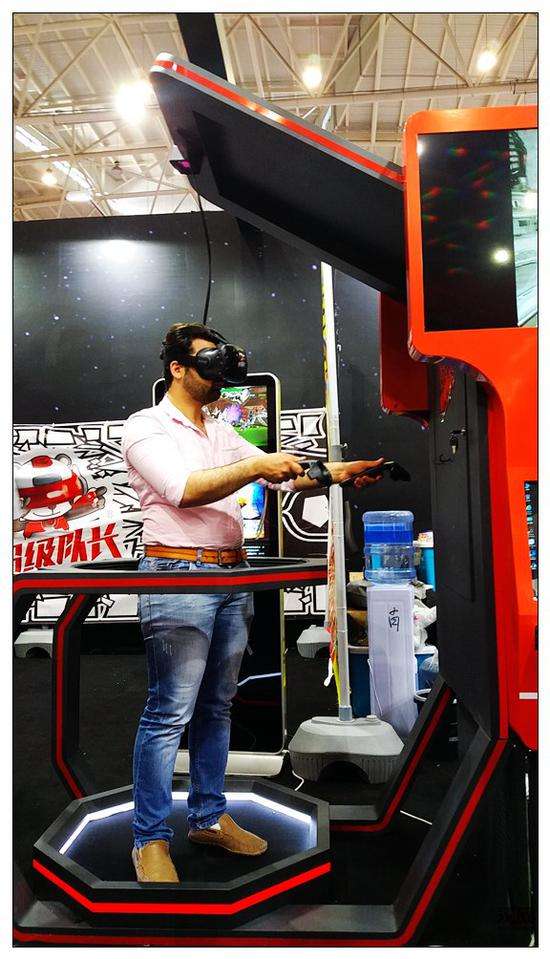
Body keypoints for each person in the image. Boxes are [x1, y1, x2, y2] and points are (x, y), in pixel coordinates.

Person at [122, 322, 384, 882]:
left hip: (230, 575)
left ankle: (208, 817)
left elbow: (283, 476)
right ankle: (149, 840)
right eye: (206, 361)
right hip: (178, 576)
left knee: (217, 707)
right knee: (169, 713)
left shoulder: (219, 429)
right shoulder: (146, 426)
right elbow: (183, 489)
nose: (218, 372)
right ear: (177, 368)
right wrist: (258, 465)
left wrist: (340, 474)